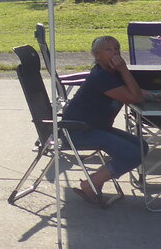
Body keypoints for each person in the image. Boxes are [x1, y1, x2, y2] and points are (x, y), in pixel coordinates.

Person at [61, 35, 153, 207]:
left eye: (117, 48)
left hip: (96, 127)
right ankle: (91, 184)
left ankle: (94, 182)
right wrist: (124, 69)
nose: (115, 52)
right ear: (97, 55)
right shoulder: (102, 77)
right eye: (108, 49)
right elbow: (134, 98)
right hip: (78, 131)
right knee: (133, 153)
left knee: (141, 146)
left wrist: (154, 95)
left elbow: (135, 91)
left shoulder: (111, 73)